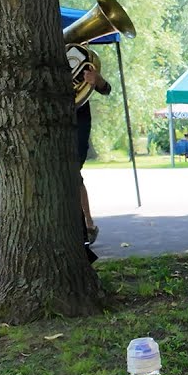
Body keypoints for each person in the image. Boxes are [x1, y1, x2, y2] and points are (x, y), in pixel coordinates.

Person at [76, 65, 112, 248]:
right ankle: (86, 227)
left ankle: (87, 225)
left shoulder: (79, 56)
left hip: (77, 120)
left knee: (73, 173)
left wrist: (96, 80)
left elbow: (106, 89)